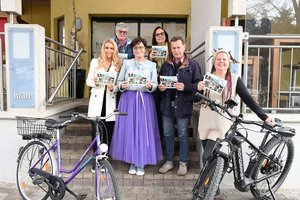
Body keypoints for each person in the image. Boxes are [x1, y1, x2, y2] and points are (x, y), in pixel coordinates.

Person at [197, 49, 275, 166]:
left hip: (220, 124)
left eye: (224, 59)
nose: (221, 61)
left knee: (207, 157)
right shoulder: (208, 78)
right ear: (214, 62)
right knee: (210, 159)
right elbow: (196, 99)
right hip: (205, 123)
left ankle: (208, 184)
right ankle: (212, 181)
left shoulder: (234, 80)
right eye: (218, 59)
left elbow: (248, 99)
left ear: (228, 63)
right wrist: (197, 88)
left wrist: (264, 117)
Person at [109, 37, 163, 176]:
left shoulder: (151, 65)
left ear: (145, 50)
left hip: (145, 100)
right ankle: (133, 161)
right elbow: (119, 81)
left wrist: (152, 86)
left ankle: (141, 162)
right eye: (135, 48)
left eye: (141, 47)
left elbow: (156, 84)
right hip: (129, 99)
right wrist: (122, 85)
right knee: (130, 130)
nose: (138, 50)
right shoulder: (127, 63)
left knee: (143, 130)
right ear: (132, 50)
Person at [158, 36, 203, 176]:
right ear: (170, 49)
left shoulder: (193, 64)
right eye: (173, 48)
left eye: (178, 47)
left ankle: (183, 162)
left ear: (184, 47)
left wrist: (186, 87)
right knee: (168, 134)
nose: (176, 50)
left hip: (183, 105)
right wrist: (161, 87)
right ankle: (169, 162)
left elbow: (199, 85)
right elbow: (160, 81)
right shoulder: (166, 65)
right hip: (167, 105)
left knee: (183, 134)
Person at [86, 39, 122, 173]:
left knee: (107, 132)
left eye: (111, 48)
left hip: (110, 101)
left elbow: (119, 86)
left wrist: (114, 88)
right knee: (96, 133)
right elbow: (88, 80)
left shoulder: (117, 65)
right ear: (103, 48)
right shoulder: (95, 62)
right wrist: (94, 82)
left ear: (115, 50)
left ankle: (104, 160)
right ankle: (95, 160)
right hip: (96, 101)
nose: (109, 50)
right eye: (106, 47)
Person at [148, 26, 170, 138]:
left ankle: (167, 136)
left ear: (165, 35)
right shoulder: (151, 51)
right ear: (154, 38)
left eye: (162, 33)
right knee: (157, 110)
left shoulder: (171, 49)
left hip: (169, 83)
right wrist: (151, 59)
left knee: (168, 112)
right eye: (157, 34)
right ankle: (158, 136)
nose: (160, 36)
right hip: (157, 83)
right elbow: (148, 70)